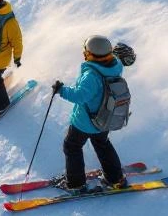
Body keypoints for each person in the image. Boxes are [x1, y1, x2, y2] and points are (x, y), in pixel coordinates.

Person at [51, 36, 128, 193]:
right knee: (103, 145)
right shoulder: (115, 66)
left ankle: (76, 183)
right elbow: (119, 60)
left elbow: (80, 96)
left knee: (72, 146)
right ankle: (115, 179)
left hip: (85, 122)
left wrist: (61, 90)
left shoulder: (91, 76)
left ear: (90, 54)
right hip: (105, 119)